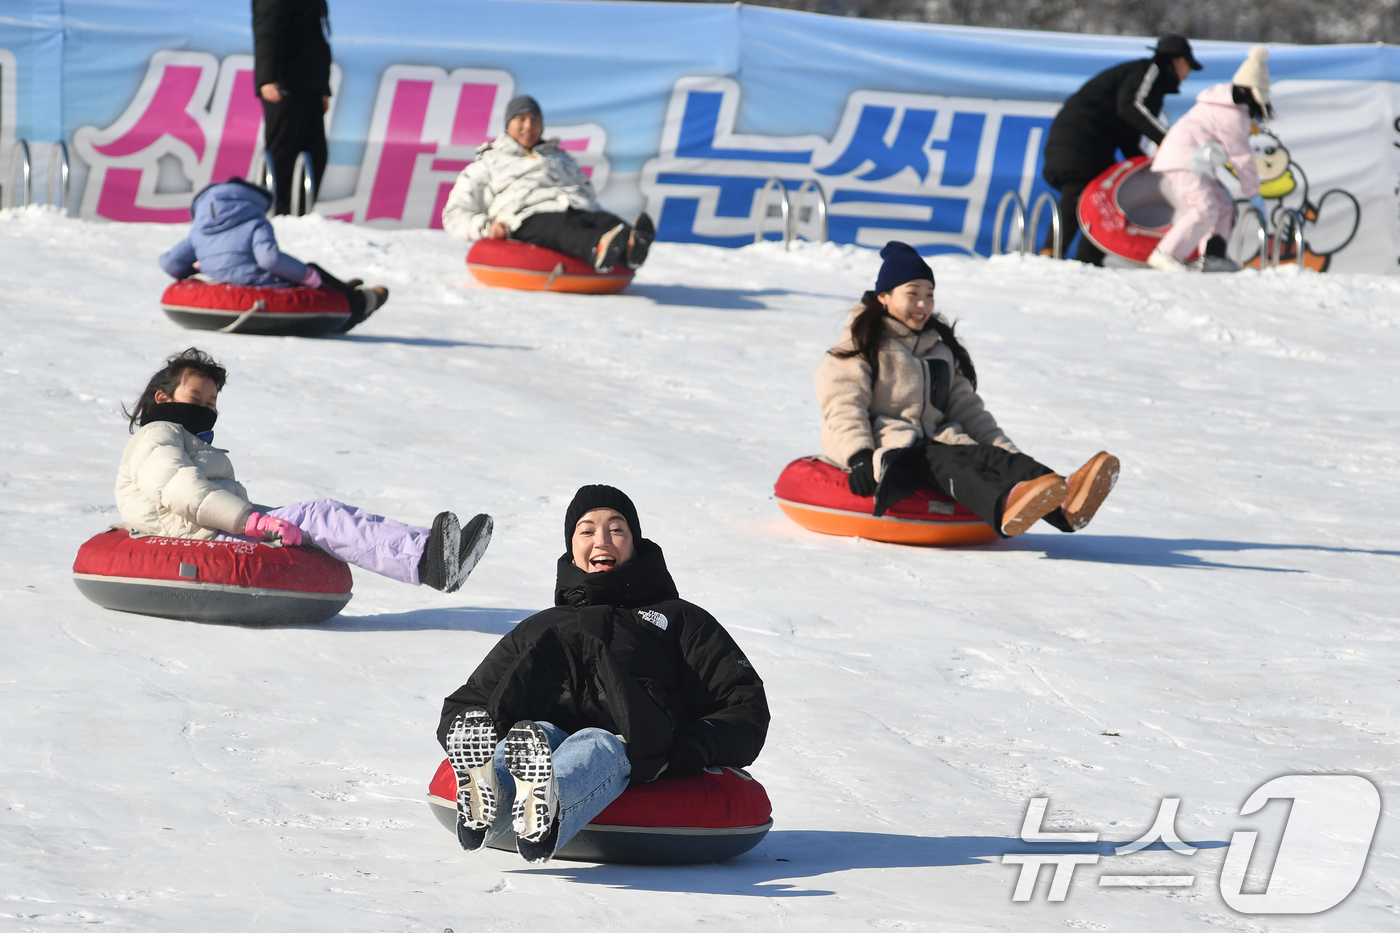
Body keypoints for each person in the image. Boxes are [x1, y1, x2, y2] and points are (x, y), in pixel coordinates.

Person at [436, 485, 768, 863]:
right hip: (539, 739)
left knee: (596, 742)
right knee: (537, 734)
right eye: (587, 530)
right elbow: (468, 703)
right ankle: (490, 790)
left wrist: (691, 747)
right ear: (572, 546)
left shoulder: (679, 619)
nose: (602, 540)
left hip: (635, 743)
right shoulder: (539, 627)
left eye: (617, 529)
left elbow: (744, 704)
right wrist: (478, 729)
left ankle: (545, 802)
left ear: (635, 542)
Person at [116, 348, 492, 592]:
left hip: (210, 528)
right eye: (195, 399)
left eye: (212, 401)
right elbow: (183, 490)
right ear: (163, 399)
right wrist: (251, 522)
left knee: (318, 518)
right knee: (318, 514)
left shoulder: (180, 437)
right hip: (202, 539)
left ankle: (434, 552)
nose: (206, 408)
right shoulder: (157, 435)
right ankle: (429, 559)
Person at [816, 242, 1119, 538]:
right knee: (947, 461)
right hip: (893, 450)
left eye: (930, 295)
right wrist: (858, 455)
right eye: (913, 294)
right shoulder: (862, 343)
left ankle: (1065, 501)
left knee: (989, 455)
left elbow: (969, 410)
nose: (923, 305)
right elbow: (843, 403)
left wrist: (1008, 455)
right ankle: (1005, 503)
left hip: (936, 441)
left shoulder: (939, 349)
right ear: (884, 296)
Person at [441, 95, 655, 273]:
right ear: (508, 124)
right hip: (527, 215)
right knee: (563, 228)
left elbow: (586, 190)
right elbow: (454, 214)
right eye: (521, 119)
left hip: (575, 206)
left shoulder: (560, 158)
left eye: (535, 120)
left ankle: (630, 249)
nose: (529, 126)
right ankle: (597, 248)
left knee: (607, 221)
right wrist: (487, 227)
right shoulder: (488, 163)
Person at [1043, 34, 1202, 266]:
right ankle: (1050, 253)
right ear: (1176, 60)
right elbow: (1131, 107)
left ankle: (1088, 261)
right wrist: (1170, 140)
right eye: (1188, 66)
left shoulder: (1152, 86)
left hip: (1091, 140)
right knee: (1080, 188)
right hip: (1079, 137)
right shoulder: (1150, 71)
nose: (1187, 74)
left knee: (1098, 198)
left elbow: (1127, 132)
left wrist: (1146, 165)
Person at [159, 179, 388, 332]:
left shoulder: (199, 231)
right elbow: (269, 259)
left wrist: (200, 273)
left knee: (309, 272)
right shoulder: (254, 222)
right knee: (312, 269)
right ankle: (360, 301)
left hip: (221, 284)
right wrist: (309, 278)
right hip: (262, 284)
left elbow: (170, 262)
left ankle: (343, 287)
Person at [1146, 47, 1272, 273]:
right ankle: (1165, 254)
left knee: (1223, 205)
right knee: (1205, 207)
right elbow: (1241, 158)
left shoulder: (1221, 103)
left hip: (1190, 160)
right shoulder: (1233, 115)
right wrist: (1253, 193)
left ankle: (1214, 256)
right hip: (1184, 160)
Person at [252, 0, 332, 215]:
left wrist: (322, 87)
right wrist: (266, 79)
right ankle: (276, 212)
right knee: (282, 152)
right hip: (284, 84)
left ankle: (301, 213)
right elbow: (266, 29)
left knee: (316, 153)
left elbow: (319, 38)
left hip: (310, 86)